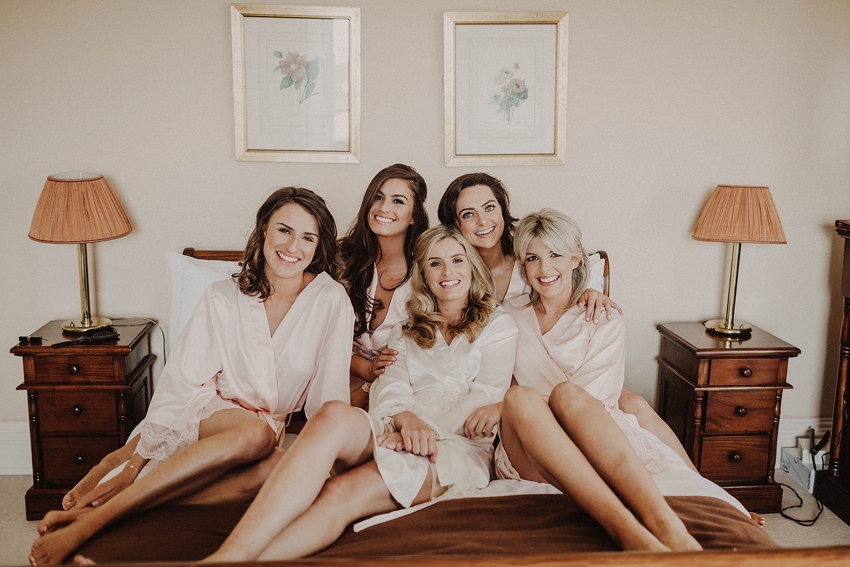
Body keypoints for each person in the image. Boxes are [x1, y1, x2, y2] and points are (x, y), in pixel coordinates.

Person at [29, 187, 355, 566]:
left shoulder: (330, 300)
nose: (293, 246)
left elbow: (329, 398)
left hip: (267, 430)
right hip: (209, 411)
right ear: (264, 229)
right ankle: (92, 521)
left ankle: (110, 510)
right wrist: (138, 458)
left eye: (307, 237)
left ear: (318, 247)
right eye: (284, 230)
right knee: (254, 434)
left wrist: (330, 457)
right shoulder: (221, 296)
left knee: (276, 465)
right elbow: (183, 382)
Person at [200, 225, 518, 562]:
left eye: (457, 260)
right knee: (332, 415)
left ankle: (228, 561)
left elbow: (484, 399)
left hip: (456, 448)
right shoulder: (406, 330)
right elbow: (388, 385)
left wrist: (417, 432)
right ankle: (230, 552)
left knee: (337, 492)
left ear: (472, 266)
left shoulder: (498, 326)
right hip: (396, 428)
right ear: (423, 273)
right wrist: (404, 421)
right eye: (435, 263)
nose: (448, 271)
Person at [490, 209, 747, 550]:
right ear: (523, 265)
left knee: (570, 395)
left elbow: (593, 401)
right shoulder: (507, 316)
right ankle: (626, 528)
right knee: (519, 399)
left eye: (554, 255)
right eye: (533, 258)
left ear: (575, 259)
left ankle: (662, 527)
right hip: (529, 448)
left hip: (591, 437)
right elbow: (491, 375)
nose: (544, 268)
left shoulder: (602, 317)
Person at [438, 172, 696, 469]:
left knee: (633, 404)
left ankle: (701, 485)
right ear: (455, 225)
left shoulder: (580, 304)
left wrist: (589, 292)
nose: (482, 221)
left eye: (489, 207)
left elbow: (561, 279)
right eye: (468, 214)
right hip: (497, 396)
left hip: (567, 409)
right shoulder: (451, 273)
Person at [340, 164, 429, 408]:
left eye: (398, 201)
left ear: (414, 216)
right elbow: (317, 334)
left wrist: (379, 374)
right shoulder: (341, 260)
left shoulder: (426, 272)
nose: (383, 207)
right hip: (336, 373)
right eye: (378, 197)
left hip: (399, 382)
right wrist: (364, 367)